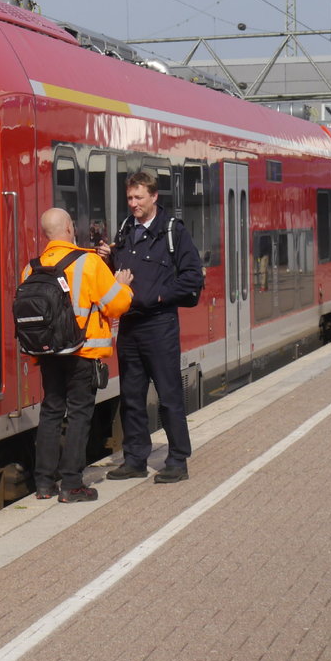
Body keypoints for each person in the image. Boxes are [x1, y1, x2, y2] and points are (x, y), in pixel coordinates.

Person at [98, 171, 204, 484]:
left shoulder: (173, 232)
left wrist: (159, 295)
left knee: (169, 395)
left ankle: (177, 460)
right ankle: (135, 459)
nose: (133, 204)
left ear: (154, 197)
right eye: (130, 198)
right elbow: (120, 276)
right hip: (129, 325)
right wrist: (108, 260)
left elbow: (192, 277)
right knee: (131, 396)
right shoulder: (125, 230)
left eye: (139, 198)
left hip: (159, 324)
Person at [27, 207, 133, 503]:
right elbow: (115, 306)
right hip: (82, 353)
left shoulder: (31, 267)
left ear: (46, 234)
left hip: (48, 354)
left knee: (50, 412)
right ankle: (71, 484)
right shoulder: (88, 262)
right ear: (70, 228)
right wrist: (123, 286)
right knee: (79, 415)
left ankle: (44, 483)